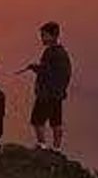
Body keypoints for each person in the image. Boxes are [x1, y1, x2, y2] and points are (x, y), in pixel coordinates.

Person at [22, 21, 73, 151]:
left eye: (44, 35)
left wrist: (35, 68)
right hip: (57, 94)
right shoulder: (63, 53)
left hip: (46, 93)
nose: (42, 38)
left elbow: (46, 71)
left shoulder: (49, 52)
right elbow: (65, 73)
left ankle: (42, 145)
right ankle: (57, 148)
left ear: (53, 36)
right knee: (56, 121)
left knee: (37, 120)